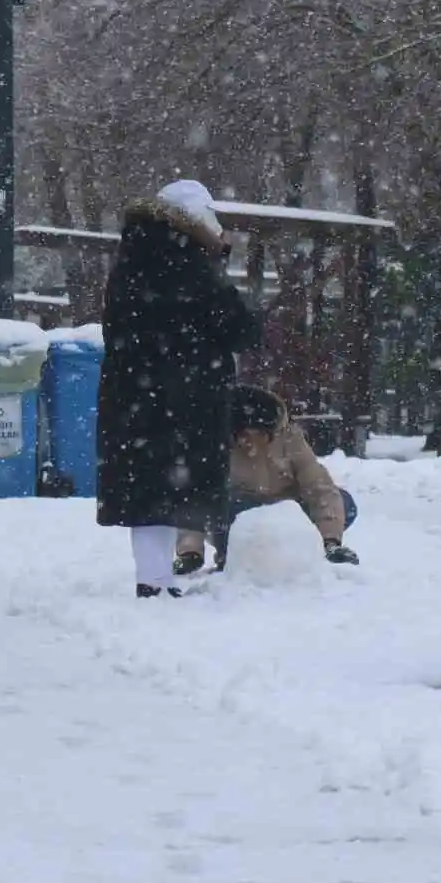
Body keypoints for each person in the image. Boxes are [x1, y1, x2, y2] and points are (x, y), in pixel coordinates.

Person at [96, 180, 261, 597]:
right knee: (172, 485)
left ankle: (152, 578)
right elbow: (237, 327)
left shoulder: (130, 261)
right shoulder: (191, 264)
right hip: (186, 394)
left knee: (145, 486)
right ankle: (159, 581)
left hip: (135, 393)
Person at [174, 385, 361, 575]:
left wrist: (331, 541)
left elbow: (319, 486)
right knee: (220, 510)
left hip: (289, 508)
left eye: (258, 434)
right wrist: (190, 551)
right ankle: (231, 557)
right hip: (237, 511)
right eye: (244, 435)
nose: (250, 442)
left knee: (345, 503)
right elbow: (195, 498)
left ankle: (304, 551)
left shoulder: (291, 439)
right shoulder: (212, 444)